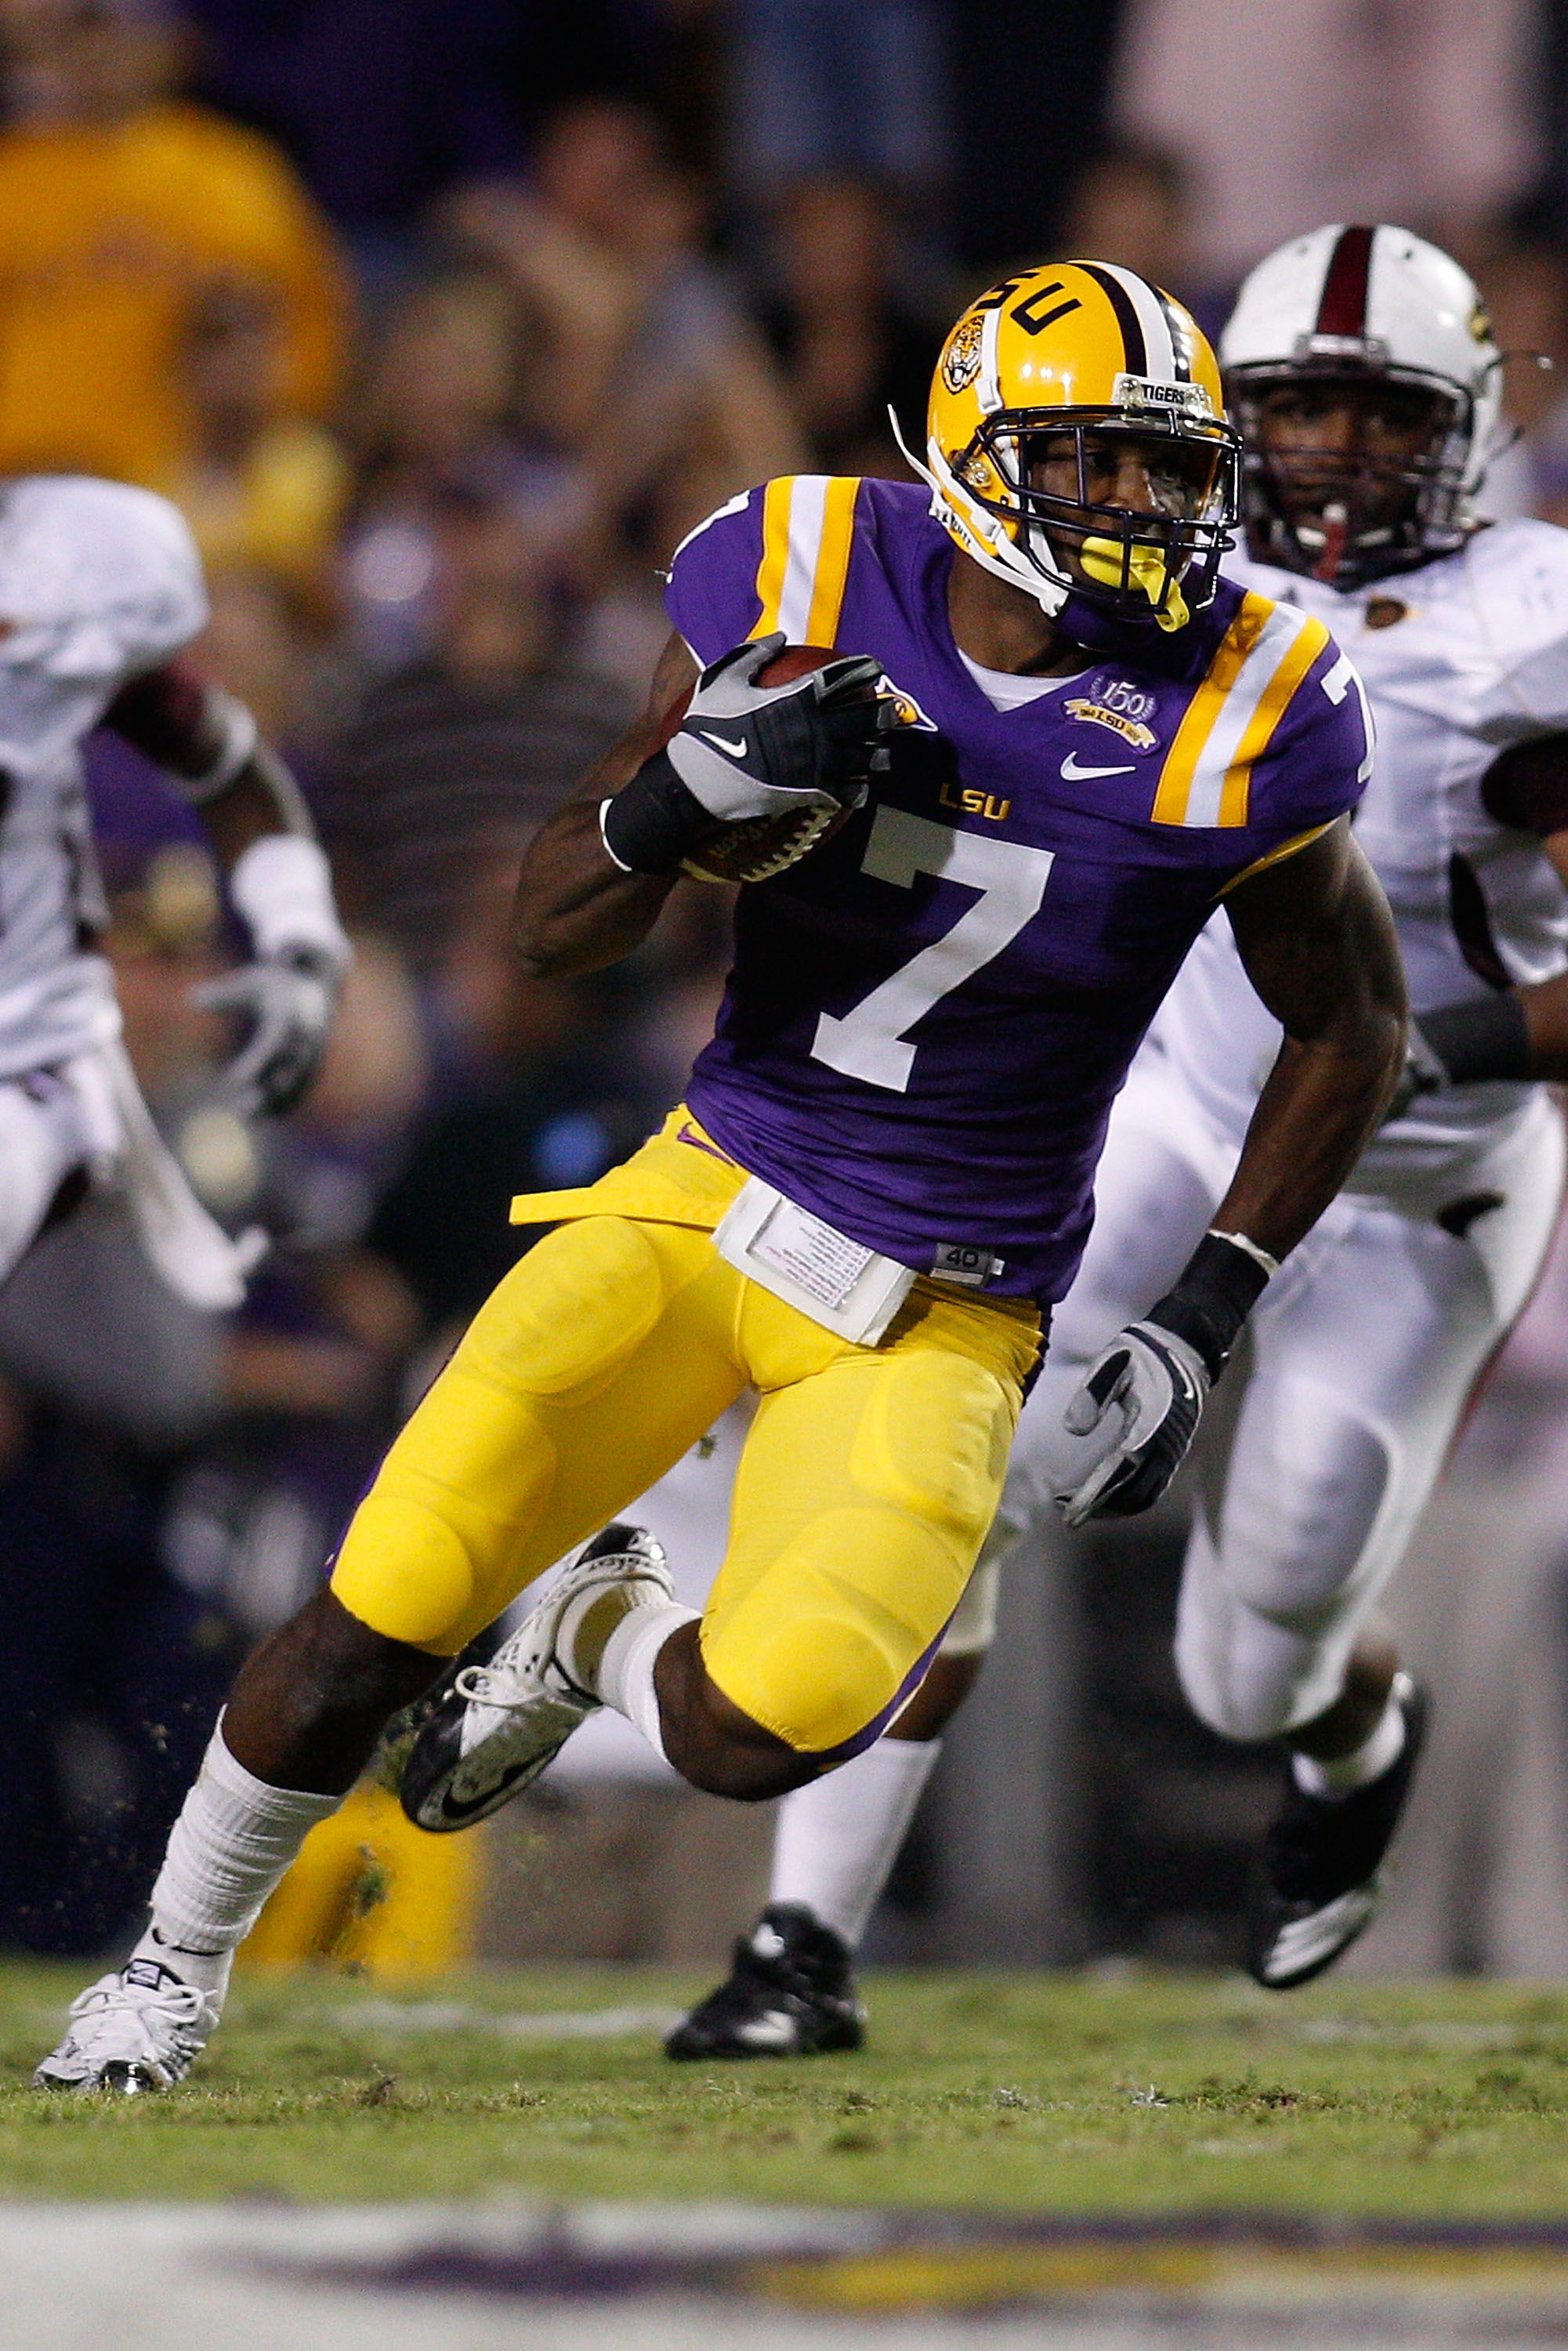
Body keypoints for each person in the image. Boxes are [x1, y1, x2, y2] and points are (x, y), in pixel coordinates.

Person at [35, 259, 1403, 2095]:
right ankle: (164, 1974)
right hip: (706, 1194)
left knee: (770, 1726)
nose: (1147, 511)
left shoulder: (1252, 698)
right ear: (978, 457)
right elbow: (551, 927)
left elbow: (1349, 1024)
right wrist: (672, 802)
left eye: (1169, 470)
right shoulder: (806, 564)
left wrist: (1200, 1315)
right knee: (382, 1603)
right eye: (1094, 463)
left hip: (946, 1298)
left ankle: (595, 1625)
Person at [668, 222, 1568, 2053]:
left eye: (1372, 417)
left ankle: (1347, 1728)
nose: (1323, 456)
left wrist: (1423, 1052)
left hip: (1417, 1176)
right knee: (946, 1472)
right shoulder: (1142, 572)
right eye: (1291, 414)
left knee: (1245, 1665)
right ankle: (799, 1949)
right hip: (1162, 1105)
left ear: (1467, 426)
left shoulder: (1521, 638)